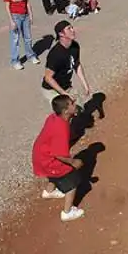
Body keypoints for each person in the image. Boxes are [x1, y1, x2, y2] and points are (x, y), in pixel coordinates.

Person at [31, 94, 86, 222]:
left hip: (40, 154)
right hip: (49, 159)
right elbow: (59, 155)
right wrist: (73, 162)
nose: (74, 103)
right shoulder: (61, 129)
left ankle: (49, 191)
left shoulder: (54, 117)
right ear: (66, 111)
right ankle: (67, 212)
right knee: (72, 180)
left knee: (55, 174)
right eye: (72, 103)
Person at [41, 20, 91, 107]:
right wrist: (64, 94)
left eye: (72, 27)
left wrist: (85, 85)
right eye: (69, 29)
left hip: (66, 85)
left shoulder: (75, 46)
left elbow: (77, 64)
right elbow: (48, 78)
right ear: (61, 34)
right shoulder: (55, 54)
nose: (73, 30)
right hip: (51, 89)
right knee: (65, 111)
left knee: (78, 108)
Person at [3, 0, 40, 70]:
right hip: (15, 16)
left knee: (28, 38)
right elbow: (7, 6)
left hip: (25, 16)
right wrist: (11, 21)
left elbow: (27, 2)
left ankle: (31, 56)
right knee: (15, 40)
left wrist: (31, 14)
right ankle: (15, 61)